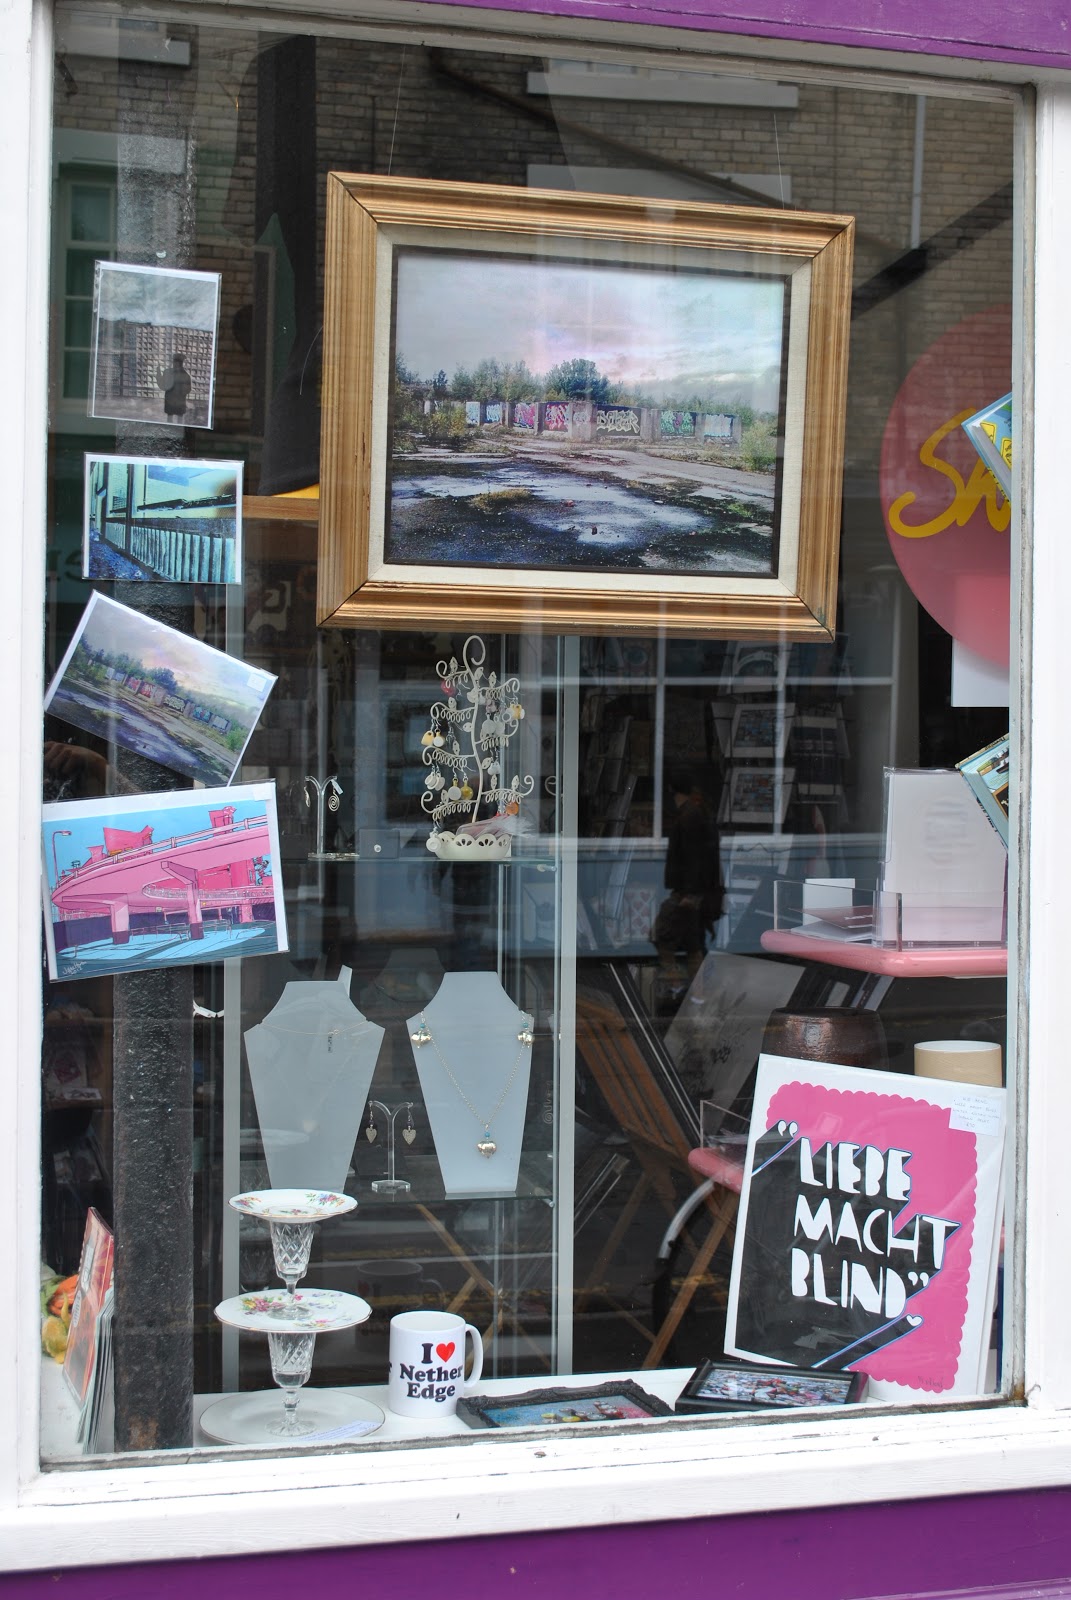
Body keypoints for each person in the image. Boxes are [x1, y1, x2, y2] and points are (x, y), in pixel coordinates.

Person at [652, 767, 723, 1002]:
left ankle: (680, 986)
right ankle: (694, 991)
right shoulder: (696, 813)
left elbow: (693, 858)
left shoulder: (689, 816)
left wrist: (690, 894)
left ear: (672, 789)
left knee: (665, 937)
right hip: (692, 892)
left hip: (688, 893)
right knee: (691, 942)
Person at [157, 351, 192, 420]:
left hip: (177, 401)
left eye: (176, 362)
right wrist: (158, 373)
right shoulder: (184, 375)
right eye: (174, 362)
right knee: (173, 418)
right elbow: (163, 385)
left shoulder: (185, 375)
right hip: (173, 401)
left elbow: (188, 389)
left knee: (177, 418)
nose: (174, 364)